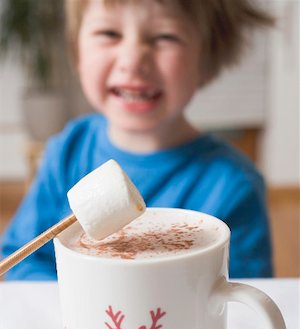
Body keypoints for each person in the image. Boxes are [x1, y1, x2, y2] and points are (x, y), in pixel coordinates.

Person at [1, 0, 274, 280]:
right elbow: (23, 261)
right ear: (76, 52)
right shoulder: (69, 149)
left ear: (207, 60)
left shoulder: (233, 185)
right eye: (109, 34)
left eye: (164, 37)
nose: (132, 60)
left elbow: (242, 301)